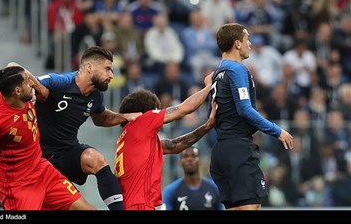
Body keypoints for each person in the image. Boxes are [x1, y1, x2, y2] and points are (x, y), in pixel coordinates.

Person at [10, 46, 141, 210]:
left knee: (96, 159)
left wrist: (125, 117)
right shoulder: (60, 82)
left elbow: (101, 118)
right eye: (107, 69)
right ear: (89, 67)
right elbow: (19, 75)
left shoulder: (96, 95)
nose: (111, 75)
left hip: (68, 152)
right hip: (39, 159)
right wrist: (36, 91)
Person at [0, 66, 96, 210]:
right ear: (17, 91)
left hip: (41, 169)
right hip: (17, 185)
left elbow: (13, 66)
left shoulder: (14, 89)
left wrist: (42, 89)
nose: (32, 82)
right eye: (27, 81)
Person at [209, 23, 294, 210]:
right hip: (238, 149)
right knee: (251, 207)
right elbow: (245, 110)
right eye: (248, 39)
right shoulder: (236, 69)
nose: (251, 43)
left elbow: (213, 114)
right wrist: (277, 131)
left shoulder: (217, 72)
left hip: (221, 150)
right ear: (237, 44)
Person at [114, 72, 215, 210]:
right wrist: (209, 85)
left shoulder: (130, 138)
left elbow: (175, 146)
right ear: (146, 110)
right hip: (139, 205)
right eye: (156, 109)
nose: (159, 113)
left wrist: (207, 126)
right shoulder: (142, 121)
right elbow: (186, 108)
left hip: (131, 204)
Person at [162, 146, 223, 210]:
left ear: (199, 160)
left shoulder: (215, 189)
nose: (189, 159)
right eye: (185, 156)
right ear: (180, 162)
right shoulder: (170, 192)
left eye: (193, 156)